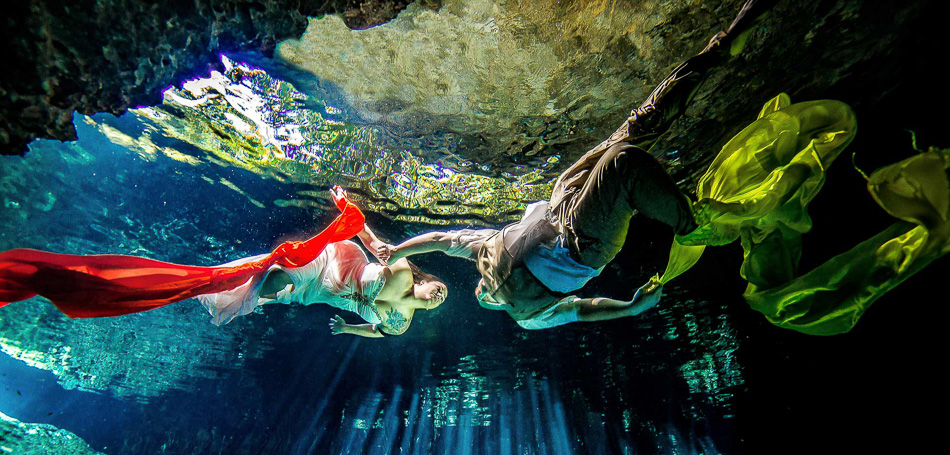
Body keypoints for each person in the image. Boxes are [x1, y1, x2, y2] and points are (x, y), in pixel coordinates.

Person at [375, 0, 773, 330]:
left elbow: (441, 242)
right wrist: (629, 308)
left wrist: (395, 252)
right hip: (581, 244)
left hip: (563, 197)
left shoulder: (483, 253)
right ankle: (696, 224)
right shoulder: (527, 316)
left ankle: (719, 49)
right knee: (623, 165)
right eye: (488, 301)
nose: (483, 295)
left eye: (480, 291)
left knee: (639, 124)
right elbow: (581, 308)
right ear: (497, 306)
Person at [199, 189, 448, 337]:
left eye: (442, 299)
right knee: (274, 281)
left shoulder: (400, 326)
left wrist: (346, 328)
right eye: (439, 289)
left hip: (317, 293)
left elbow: (375, 332)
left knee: (264, 294)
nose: (439, 296)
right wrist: (347, 209)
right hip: (332, 263)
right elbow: (371, 242)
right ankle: (216, 281)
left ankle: (211, 288)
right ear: (424, 281)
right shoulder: (401, 269)